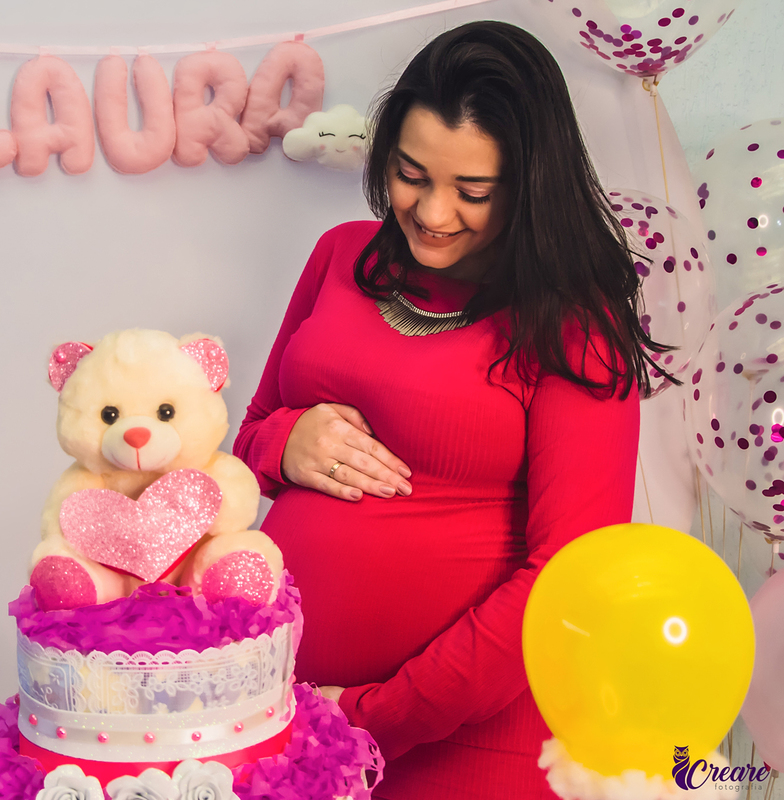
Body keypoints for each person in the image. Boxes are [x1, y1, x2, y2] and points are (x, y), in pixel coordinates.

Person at [233, 20, 676, 800]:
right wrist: (285, 441)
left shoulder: (575, 322)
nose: (434, 213)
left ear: (529, 186)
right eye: (411, 175)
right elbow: (245, 446)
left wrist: (370, 716)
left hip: (470, 744)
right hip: (284, 718)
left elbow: (568, 581)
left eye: (473, 192)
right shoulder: (340, 255)